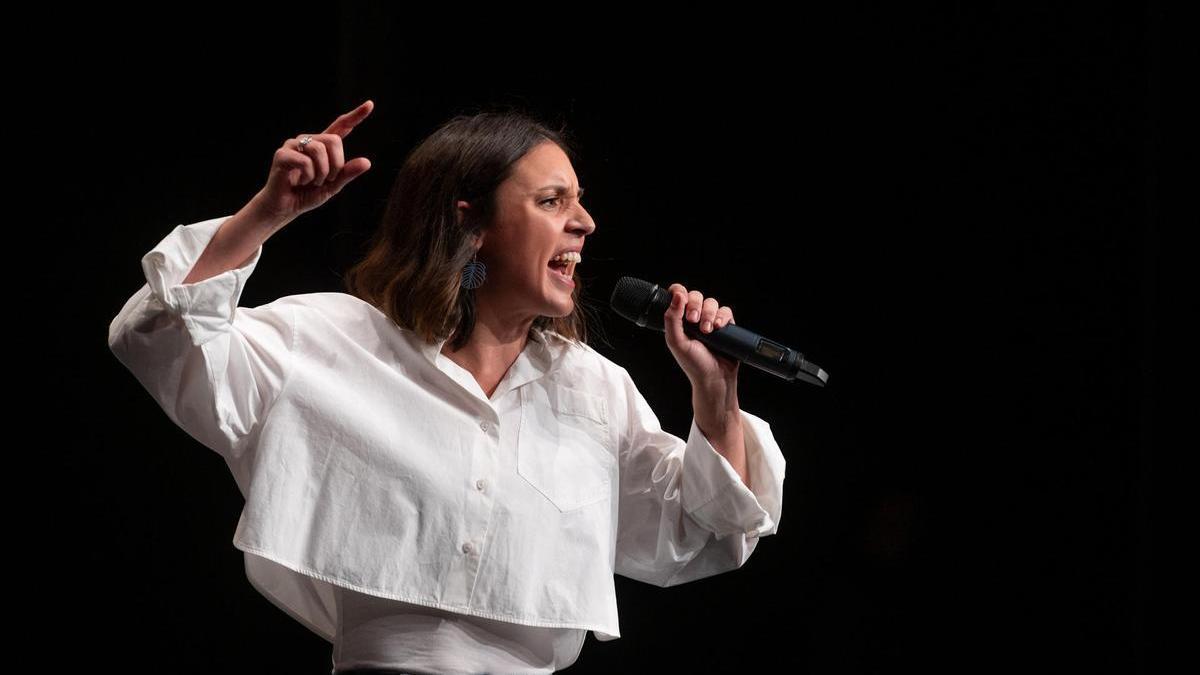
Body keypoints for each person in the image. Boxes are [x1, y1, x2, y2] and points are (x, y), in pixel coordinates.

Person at [107, 100, 787, 674]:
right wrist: (265, 213)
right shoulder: (333, 343)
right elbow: (157, 337)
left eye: (580, 201)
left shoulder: (593, 389)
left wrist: (715, 395)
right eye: (553, 201)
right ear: (470, 223)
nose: (585, 223)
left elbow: (702, 534)